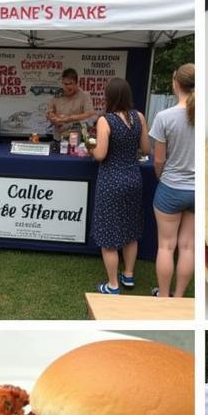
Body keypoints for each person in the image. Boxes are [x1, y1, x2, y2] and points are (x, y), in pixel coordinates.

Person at [88, 78, 150, 294]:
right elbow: (145, 148)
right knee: (130, 231)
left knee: (109, 236)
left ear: (109, 97)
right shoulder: (139, 117)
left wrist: (90, 147)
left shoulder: (105, 120)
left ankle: (113, 284)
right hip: (133, 179)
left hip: (111, 181)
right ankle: (129, 275)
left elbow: (101, 154)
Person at [149, 64, 195, 298]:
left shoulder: (164, 117)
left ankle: (164, 296)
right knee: (188, 247)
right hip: (197, 192)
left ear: (176, 83)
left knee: (166, 246)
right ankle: (179, 297)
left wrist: (162, 177)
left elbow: (159, 160)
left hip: (170, 188)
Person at [45, 68, 95, 140]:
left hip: (77, 137)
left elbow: (90, 113)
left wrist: (69, 118)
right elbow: (49, 112)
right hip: (59, 136)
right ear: (62, 82)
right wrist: (55, 119)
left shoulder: (84, 95)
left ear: (76, 83)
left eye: (70, 84)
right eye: (65, 84)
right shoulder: (57, 95)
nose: (67, 87)